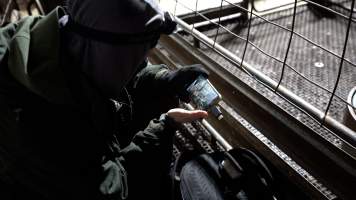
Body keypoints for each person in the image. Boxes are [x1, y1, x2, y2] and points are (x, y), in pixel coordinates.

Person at [0, 0, 209, 199]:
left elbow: (125, 73)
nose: (139, 63)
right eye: (134, 58)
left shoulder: (67, 37)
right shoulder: (36, 125)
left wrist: (162, 79)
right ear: (109, 55)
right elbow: (110, 191)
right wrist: (162, 129)